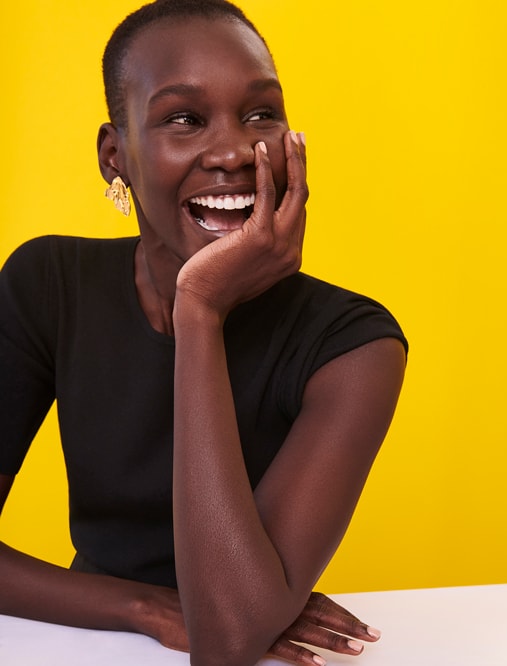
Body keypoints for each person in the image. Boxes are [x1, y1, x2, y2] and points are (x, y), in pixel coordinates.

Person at [0, 1, 407, 665]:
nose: (233, 153)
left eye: (260, 115)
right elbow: (220, 620)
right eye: (185, 119)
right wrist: (143, 607)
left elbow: (225, 641)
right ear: (116, 156)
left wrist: (199, 311)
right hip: (76, 647)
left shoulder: (354, 347)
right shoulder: (49, 284)